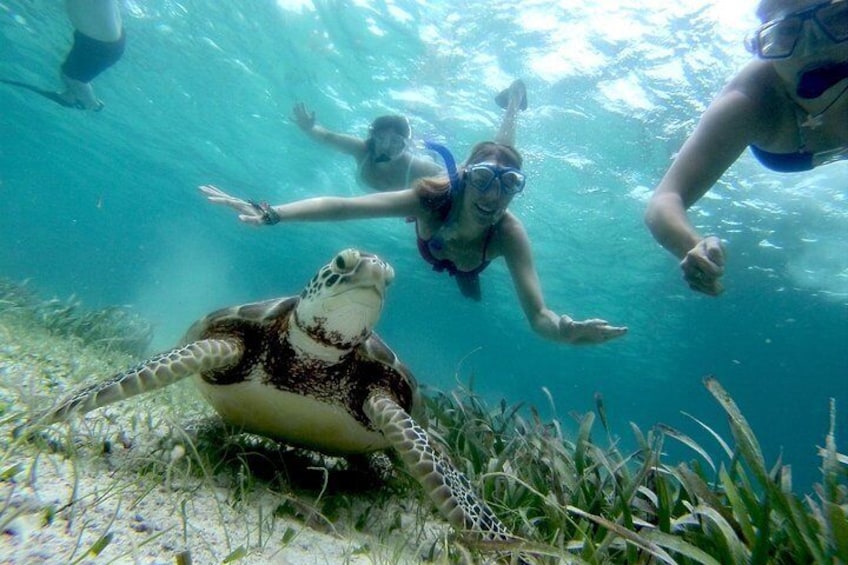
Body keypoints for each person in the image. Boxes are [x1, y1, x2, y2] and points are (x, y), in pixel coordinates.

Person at [200, 83, 627, 346]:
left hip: (466, 263)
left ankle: (513, 103)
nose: (492, 195)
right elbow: (344, 207)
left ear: (517, 191)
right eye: (480, 179)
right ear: (461, 178)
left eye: (509, 184)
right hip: (435, 238)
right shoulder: (432, 196)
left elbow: (539, 315)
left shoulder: (509, 234)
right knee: (498, 157)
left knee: (469, 285)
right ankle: (512, 104)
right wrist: (273, 213)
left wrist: (564, 331)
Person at [645, 0, 848, 296]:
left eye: (838, 19)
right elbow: (664, 199)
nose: (812, 46)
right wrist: (691, 245)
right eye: (787, 32)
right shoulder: (751, 101)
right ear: (764, 42)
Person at [291, 102, 445, 191]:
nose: (385, 146)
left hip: (420, 166)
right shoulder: (362, 149)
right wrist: (309, 128)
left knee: (428, 161)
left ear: (405, 145)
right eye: (380, 137)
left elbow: (454, 177)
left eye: (395, 141)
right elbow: (327, 137)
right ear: (373, 137)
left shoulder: (419, 167)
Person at [58, 0, 125, 111]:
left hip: (100, 42)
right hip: (100, 37)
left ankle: (92, 105)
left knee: (71, 77)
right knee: (68, 75)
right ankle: (74, 97)